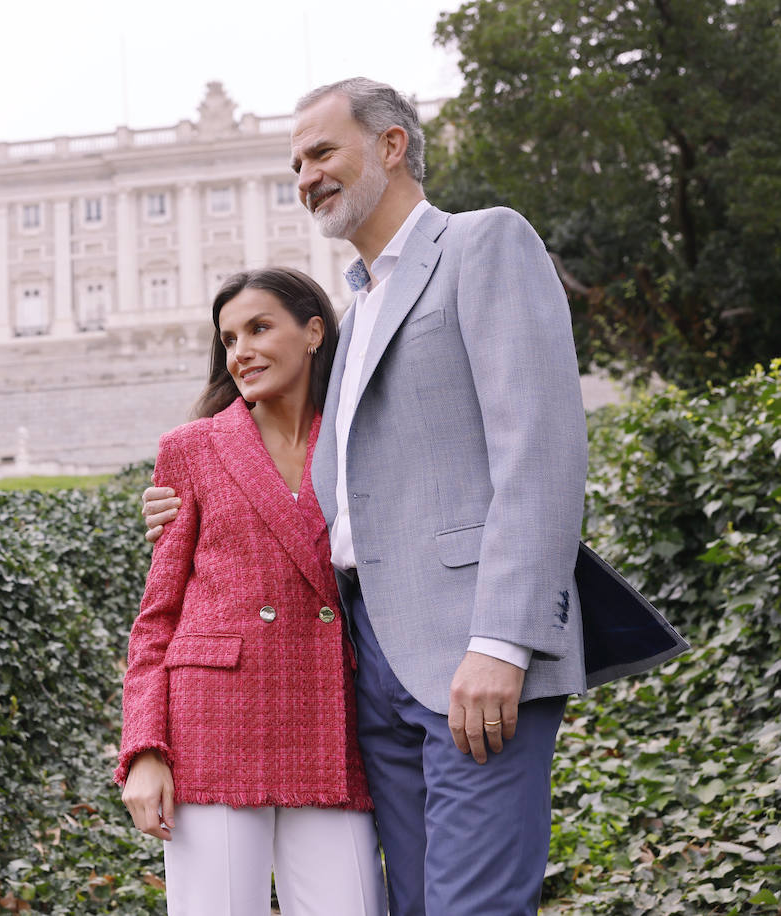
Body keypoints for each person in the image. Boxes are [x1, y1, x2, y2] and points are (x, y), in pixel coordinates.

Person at [143, 77, 590, 915]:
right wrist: (187, 505)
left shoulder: (483, 243)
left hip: (468, 642)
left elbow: (542, 450)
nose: (305, 175)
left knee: (474, 906)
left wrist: (502, 639)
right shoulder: (356, 310)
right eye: (295, 163)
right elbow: (339, 485)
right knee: (415, 903)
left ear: (390, 146)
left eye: (321, 153)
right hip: (368, 662)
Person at [118, 267, 386, 915]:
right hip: (212, 725)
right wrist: (145, 750)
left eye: (260, 328)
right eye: (229, 338)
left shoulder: (362, 439)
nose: (241, 350)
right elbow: (157, 618)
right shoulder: (192, 450)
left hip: (328, 719)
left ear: (314, 331)